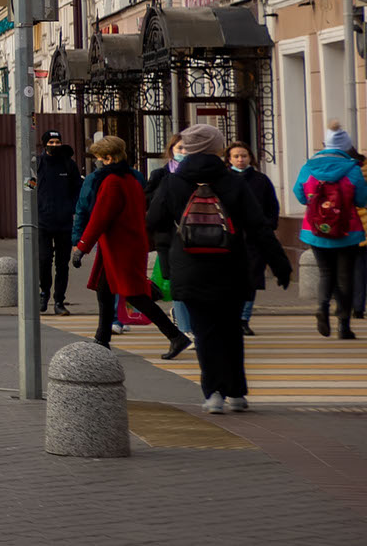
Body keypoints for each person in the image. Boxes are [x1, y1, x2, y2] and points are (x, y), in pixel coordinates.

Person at [149, 122, 290, 413]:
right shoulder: (233, 182)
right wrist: (280, 264)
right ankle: (236, 393)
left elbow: (153, 220)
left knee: (204, 332)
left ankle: (213, 393)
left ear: (188, 148)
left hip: (190, 267)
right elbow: (259, 227)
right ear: (217, 148)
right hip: (231, 266)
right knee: (231, 330)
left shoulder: (173, 182)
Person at [71, 134, 187, 356]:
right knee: (104, 292)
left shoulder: (112, 182)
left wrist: (82, 246)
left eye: (99, 158)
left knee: (134, 295)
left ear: (109, 158)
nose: (98, 162)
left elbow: (100, 218)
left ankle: (176, 336)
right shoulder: (130, 179)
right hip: (124, 245)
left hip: (120, 247)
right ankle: (102, 338)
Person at [292, 126, 367, 340]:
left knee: (325, 272)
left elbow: (299, 194)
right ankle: (344, 326)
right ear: (346, 146)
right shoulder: (352, 168)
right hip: (347, 231)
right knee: (345, 277)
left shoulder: (308, 167)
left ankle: (322, 307)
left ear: (325, 145)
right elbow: (362, 199)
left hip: (315, 230)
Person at [225, 143, 277, 334]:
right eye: (236, 156)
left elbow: (272, 206)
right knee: (230, 279)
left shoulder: (260, 180)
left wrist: (267, 226)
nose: (240, 159)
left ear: (250, 158)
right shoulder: (224, 180)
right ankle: (231, 317)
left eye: (244, 156)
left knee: (252, 279)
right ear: (229, 159)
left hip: (254, 239)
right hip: (230, 239)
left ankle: (243, 319)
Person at [34, 130, 82, 315]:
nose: (55, 145)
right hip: (43, 222)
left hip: (64, 223)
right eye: (51, 142)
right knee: (44, 260)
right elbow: (29, 188)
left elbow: (78, 190)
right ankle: (44, 293)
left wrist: (71, 208)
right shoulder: (37, 164)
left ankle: (59, 301)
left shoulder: (68, 165)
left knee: (62, 264)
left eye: (57, 142)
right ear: (44, 144)